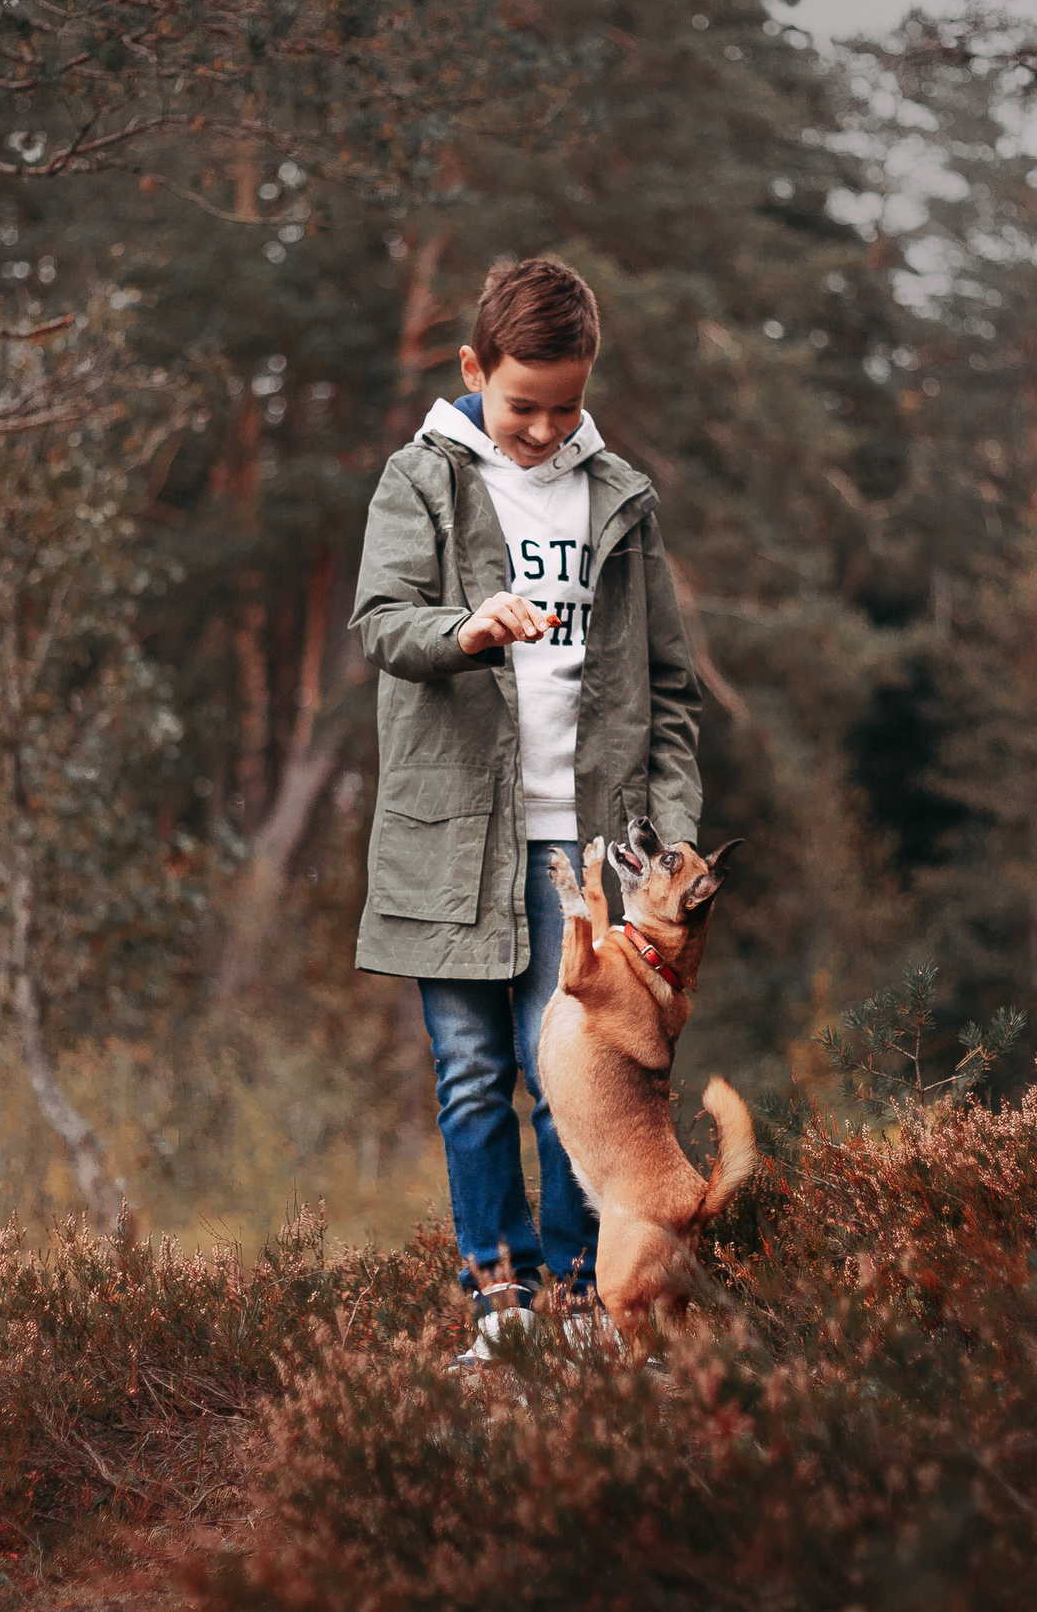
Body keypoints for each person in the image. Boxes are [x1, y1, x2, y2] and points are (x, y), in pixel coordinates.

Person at [349, 256, 702, 1367]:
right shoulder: (420, 480)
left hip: (590, 856)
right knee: (468, 1077)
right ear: (471, 372)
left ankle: (581, 1308)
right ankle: (496, 1314)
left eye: (565, 406)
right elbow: (379, 623)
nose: (545, 431)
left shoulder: (622, 499)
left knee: (573, 1091)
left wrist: (674, 824)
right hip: (452, 841)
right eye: (520, 406)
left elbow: (671, 688)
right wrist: (465, 629)